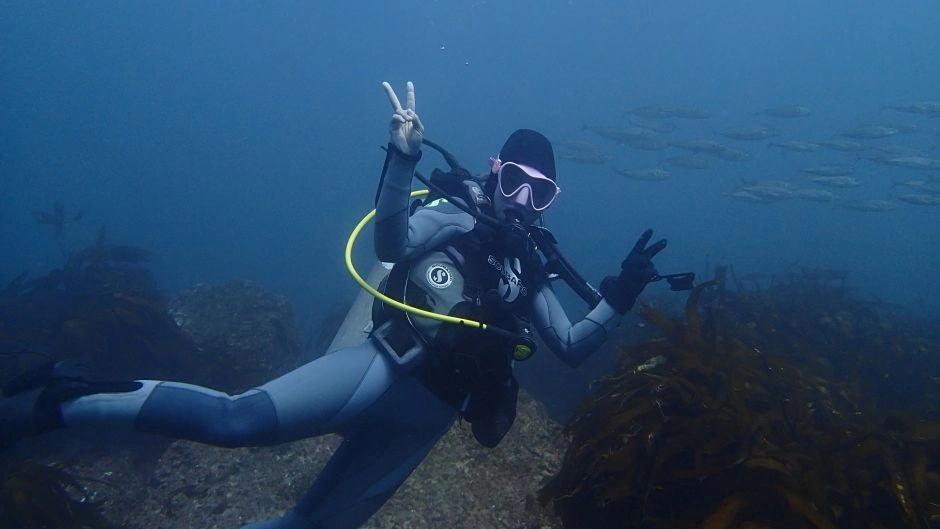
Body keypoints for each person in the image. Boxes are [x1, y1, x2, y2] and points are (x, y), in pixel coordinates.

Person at [0, 81, 669, 529]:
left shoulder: (530, 267)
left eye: (541, 193)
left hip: (427, 421)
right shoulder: (453, 217)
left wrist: (620, 292)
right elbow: (389, 239)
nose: (524, 202)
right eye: (517, 182)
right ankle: (62, 396)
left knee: (314, 527)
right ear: (495, 170)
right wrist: (402, 160)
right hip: (380, 370)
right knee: (239, 421)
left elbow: (574, 343)